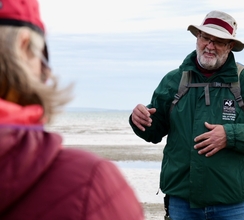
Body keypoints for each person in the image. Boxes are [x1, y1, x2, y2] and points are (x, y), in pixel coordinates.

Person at [129, 10, 244, 220]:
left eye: (219, 41)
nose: (210, 46)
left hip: (234, 204)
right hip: (182, 203)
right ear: (197, 38)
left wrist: (230, 135)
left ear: (229, 46)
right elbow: (154, 131)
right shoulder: (174, 80)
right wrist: (140, 120)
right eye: (206, 38)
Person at [0, 0, 144, 219]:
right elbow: (154, 129)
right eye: (42, 54)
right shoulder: (90, 184)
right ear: (23, 46)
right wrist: (140, 121)